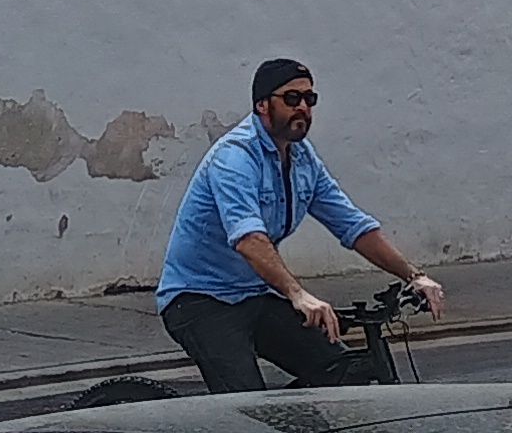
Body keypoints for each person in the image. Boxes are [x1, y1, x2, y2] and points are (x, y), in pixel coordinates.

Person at [155, 58, 444, 391]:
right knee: (244, 406)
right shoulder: (234, 158)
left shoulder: (302, 158)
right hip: (200, 300)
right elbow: (249, 239)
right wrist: (299, 294)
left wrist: (415, 276)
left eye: (310, 99)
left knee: (344, 369)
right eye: (292, 99)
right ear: (262, 104)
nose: (303, 107)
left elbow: (353, 226)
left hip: (255, 294)